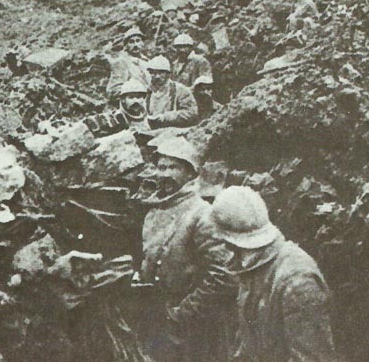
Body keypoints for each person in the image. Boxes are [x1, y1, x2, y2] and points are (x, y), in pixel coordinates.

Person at [134, 136, 236, 362]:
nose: (164, 174)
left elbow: (224, 275)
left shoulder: (202, 214)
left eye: (173, 167)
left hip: (192, 326)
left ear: (190, 173)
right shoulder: (154, 212)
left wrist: (183, 313)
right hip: (157, 317)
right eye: (161, 167)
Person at [208, 186, 337, 362]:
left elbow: (312, 358)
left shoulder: (297, 281)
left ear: (232, 242)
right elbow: (247, 343)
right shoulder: (252, 266)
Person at [82, 79, 151, 137]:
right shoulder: (116, 118)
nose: (135, 101)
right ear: (123, 100)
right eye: (131, 97)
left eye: (138, 97)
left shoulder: (147, 117)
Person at [145, 55, 198, 128]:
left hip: (173, 130)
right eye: (153, 73)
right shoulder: (146, 91)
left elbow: (191, 113)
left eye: (160, 73)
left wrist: (166, 117)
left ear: (168, 74)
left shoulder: (180, 90)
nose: (157, 76)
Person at [107, 27, 151, 102]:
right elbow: (113, 90)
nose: (135, 45)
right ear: (126, 45)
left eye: (138, 41)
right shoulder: (121, 62)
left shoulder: (148, 62)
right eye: (131, 42)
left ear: (142, 43)